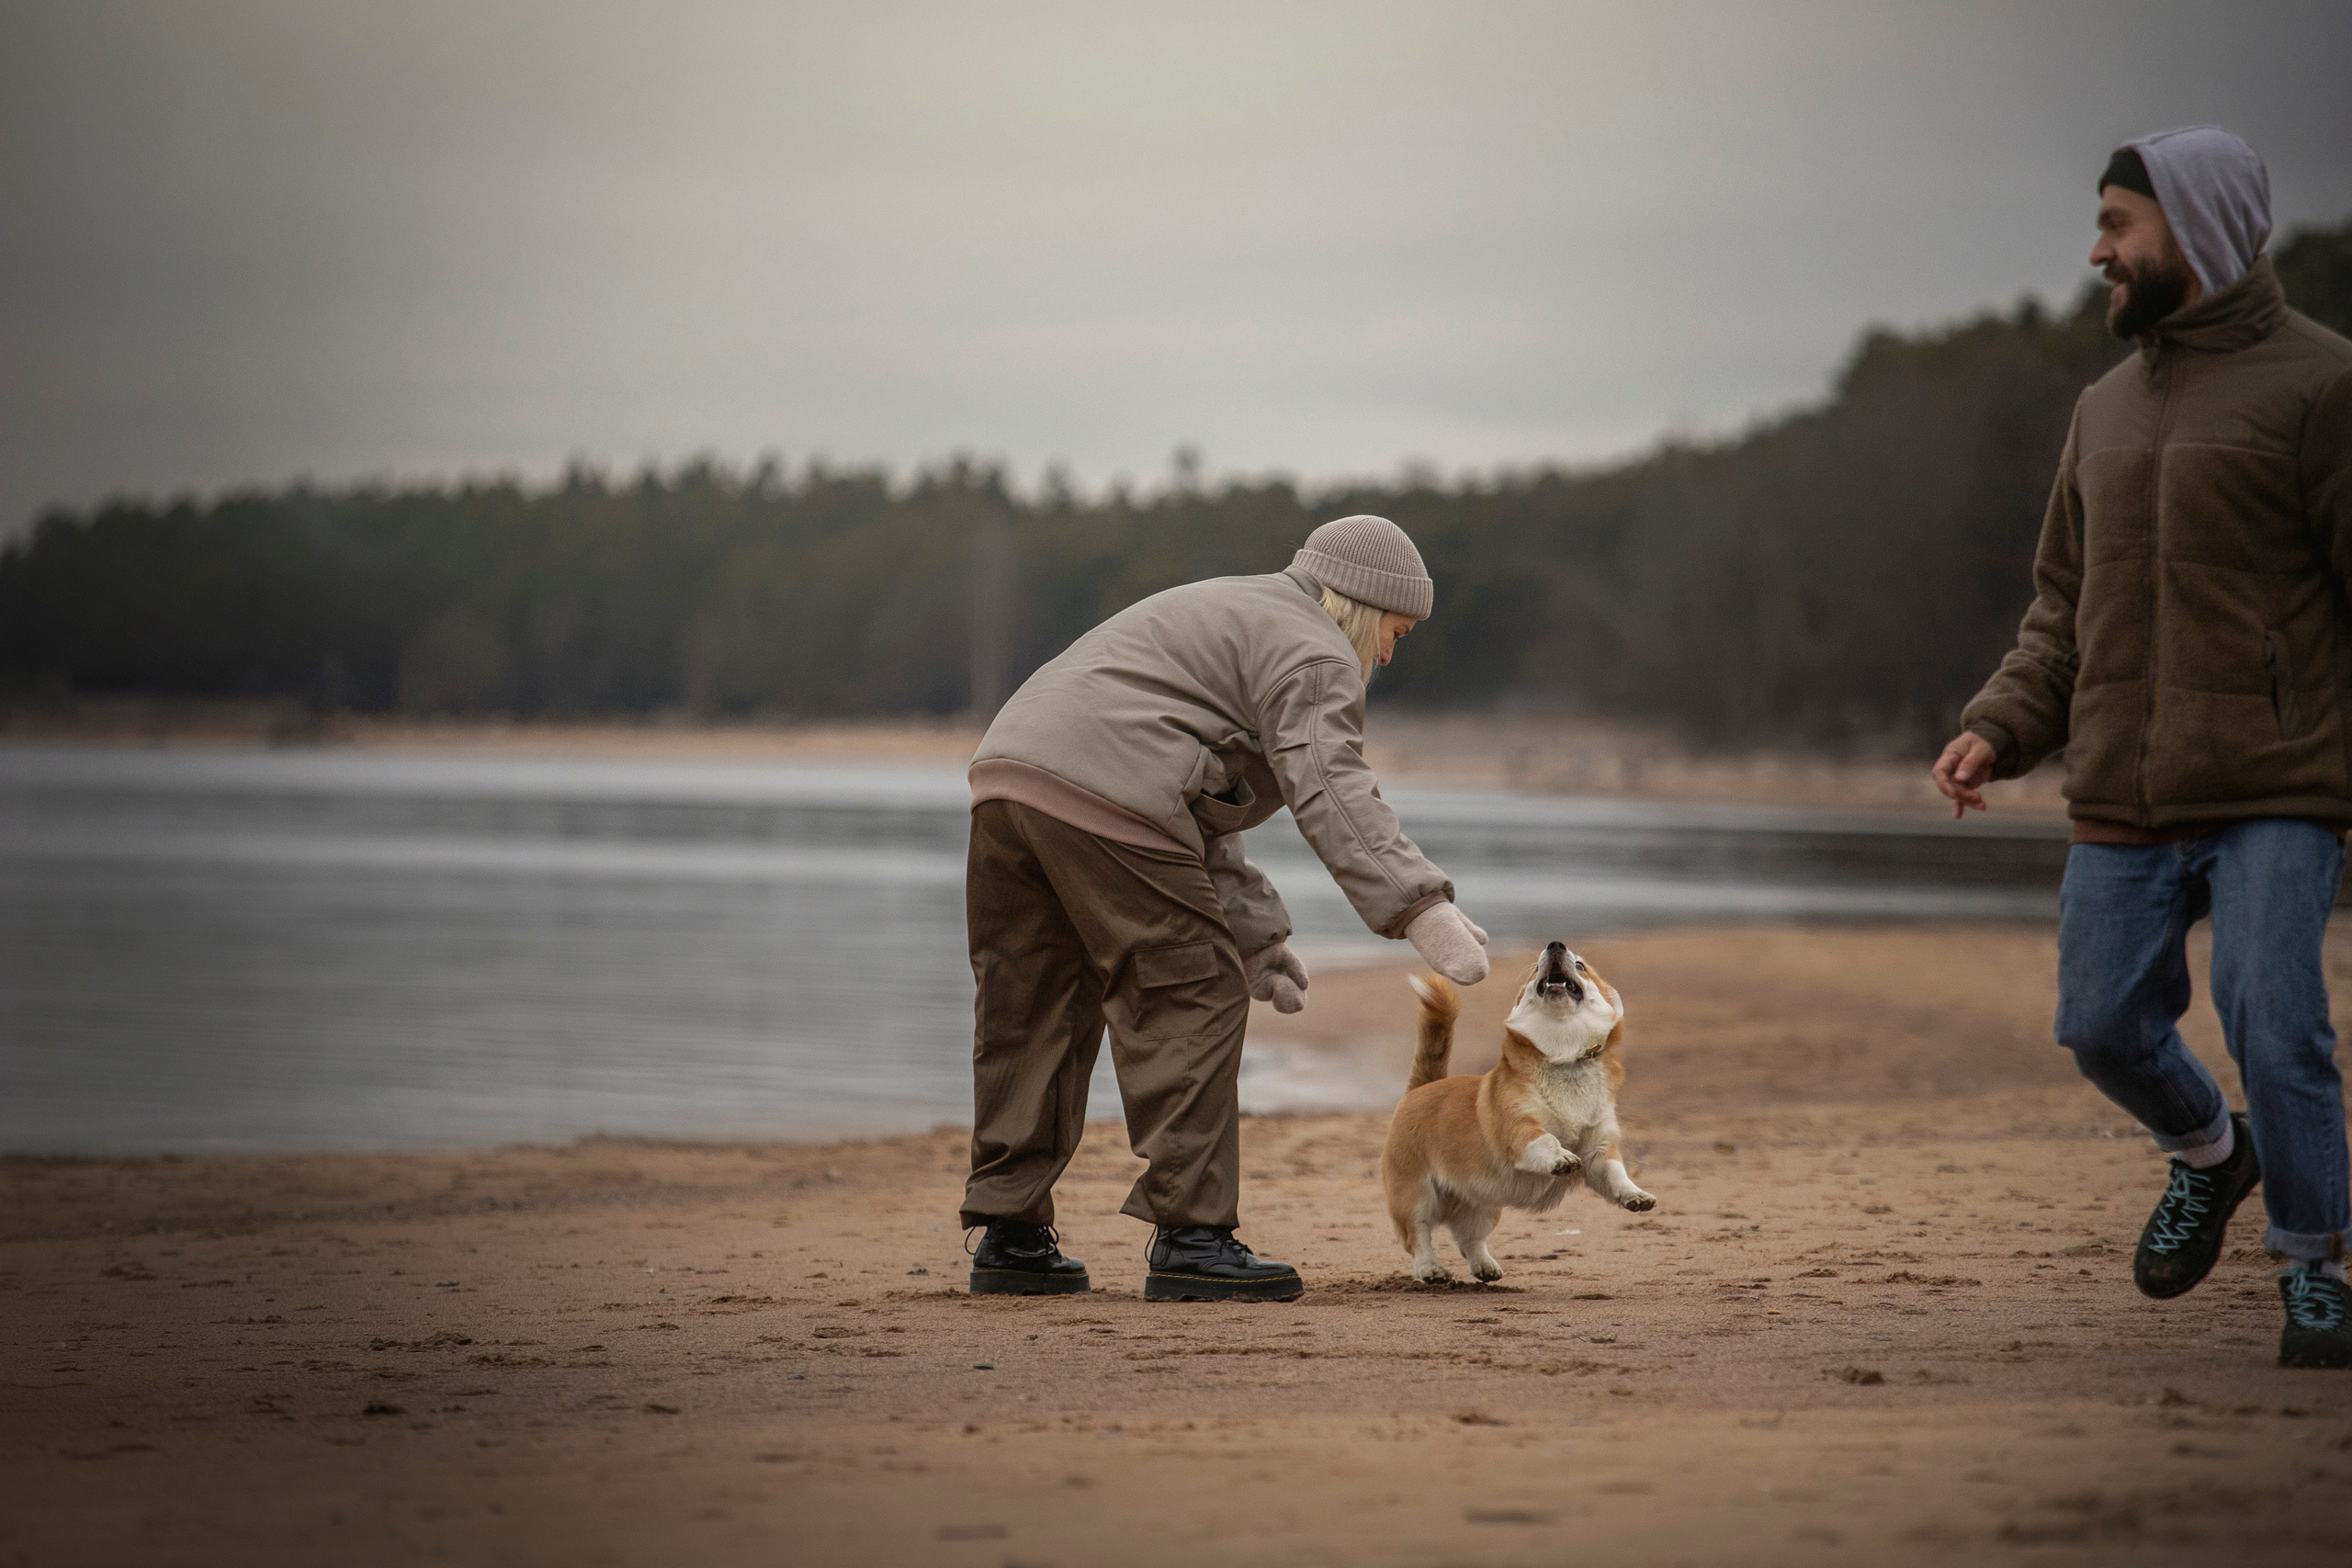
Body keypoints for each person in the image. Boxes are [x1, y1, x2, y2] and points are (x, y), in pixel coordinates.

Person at [1933, 126, 2352, 1369]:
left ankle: (2319, 1263)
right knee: (2098, 1022)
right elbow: (2064, 604)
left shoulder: (2324, 387)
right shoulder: (2103, 407)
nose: (2099, 250)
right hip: (2121, 779)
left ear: (2199, 228)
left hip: (2278, 776)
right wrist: (1999, 724)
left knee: (2275, 1018)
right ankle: (2213, 1153)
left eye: (2121, 223)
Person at [958, 514, 1492, 1302]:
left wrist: (1255, 937)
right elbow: (1333, 790)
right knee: (1191, 991)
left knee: (1033, 1002)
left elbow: (1194, 802)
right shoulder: (1314, 651)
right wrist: (1420, 905)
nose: (1387, 652)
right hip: (1108, 789)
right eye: (1395, 630)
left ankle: (1010, 1233)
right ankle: (1192, 1236)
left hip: (1005, 777)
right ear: (1356, 604)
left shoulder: (1235, 607)